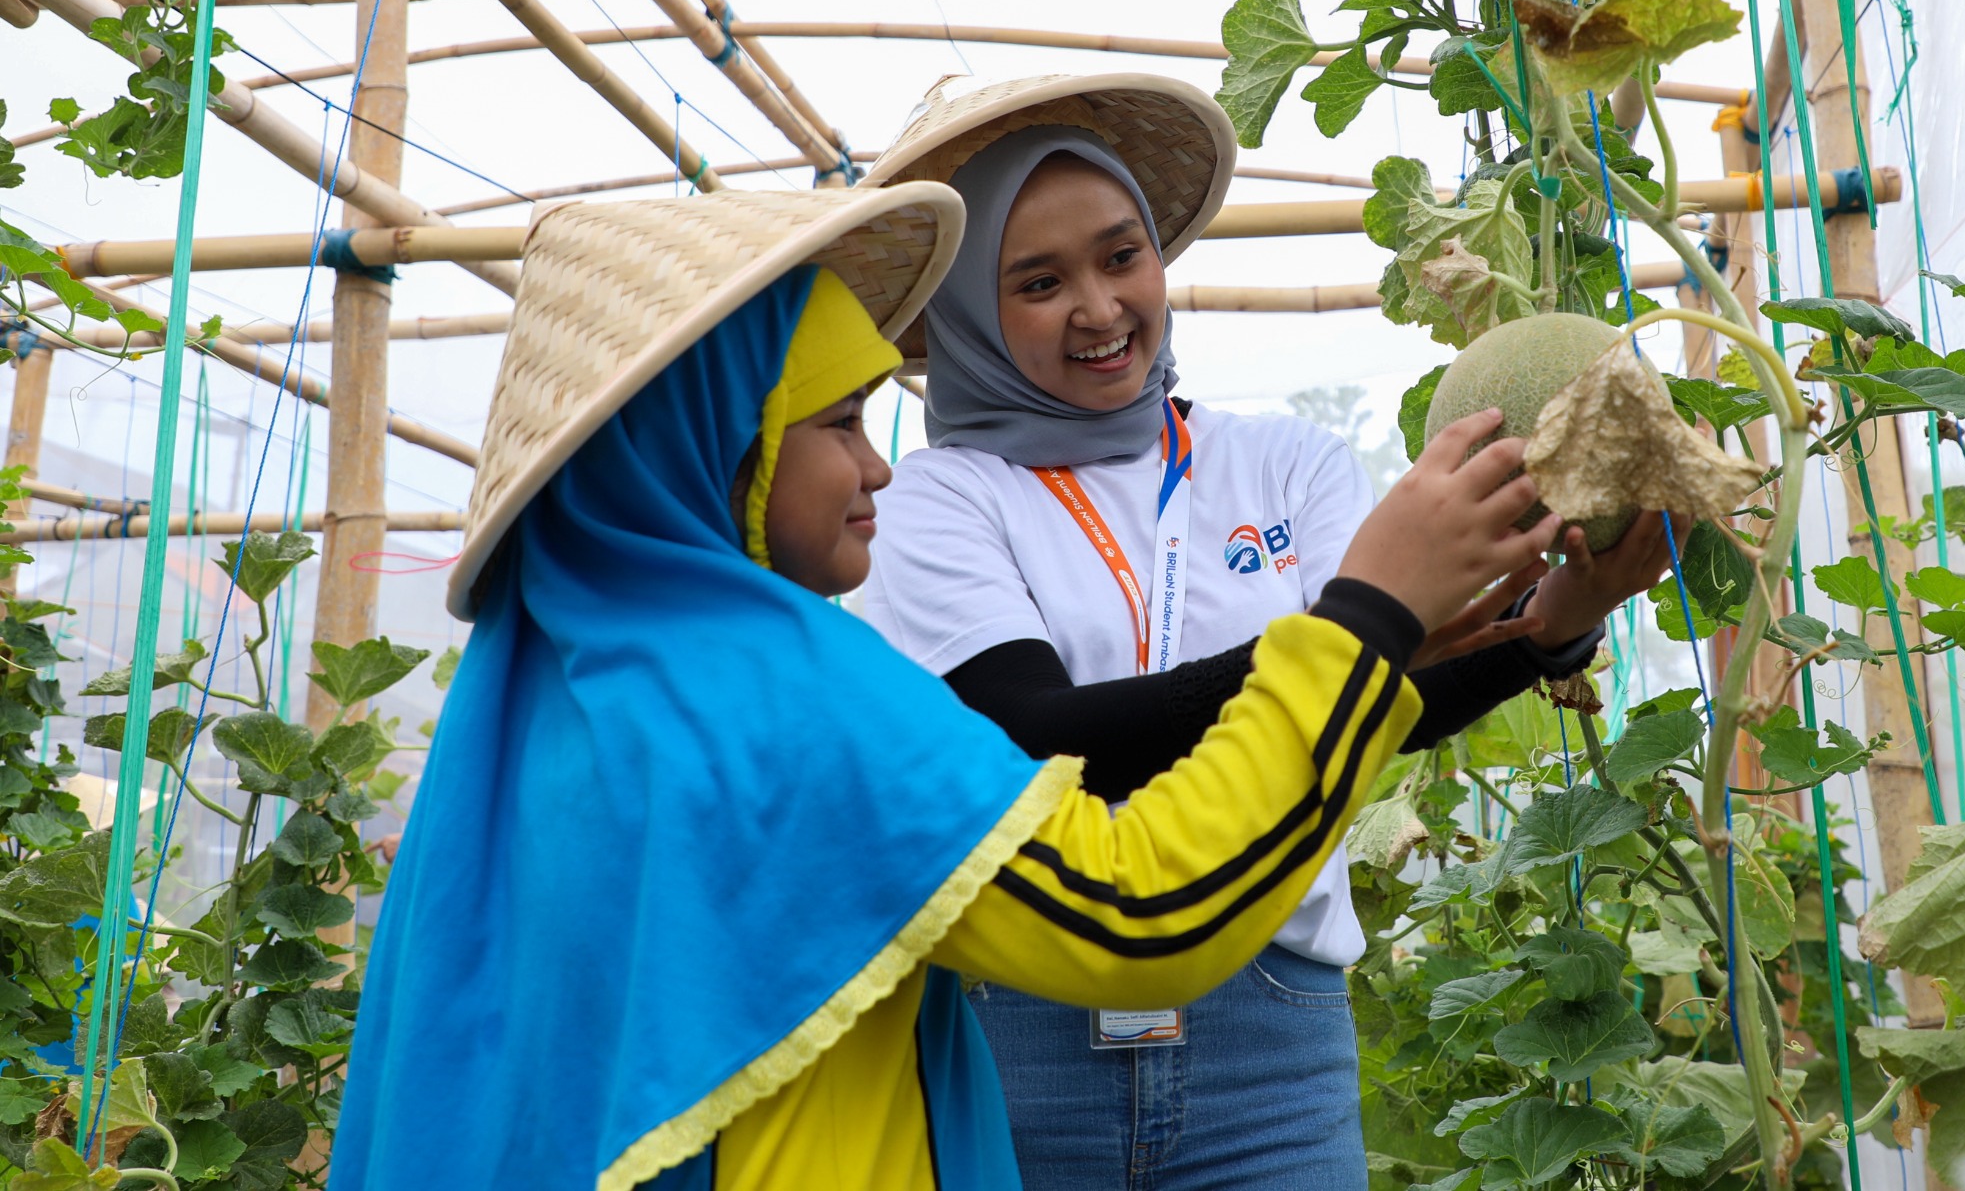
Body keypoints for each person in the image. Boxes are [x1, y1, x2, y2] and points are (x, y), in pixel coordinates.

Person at [331, 186, 1561, 1191]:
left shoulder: (555, 679)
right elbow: (1139, 911)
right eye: (837, 419)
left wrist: (1516, 632)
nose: (877, 460)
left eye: (1120, 253)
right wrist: (1364, 617)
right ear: (719, 437)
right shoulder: (785, 690)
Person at [862, 75, 1675, 1191]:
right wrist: (1358, 624)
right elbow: (1029, 734)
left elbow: (1382, 707)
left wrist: (1550, 632)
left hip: (1271, 1031)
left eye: (1120, 256)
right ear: (964, 312)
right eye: (1037, 281)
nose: (1099, 308)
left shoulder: (1283, 463)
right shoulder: (935, 498)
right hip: (1023, 1034)